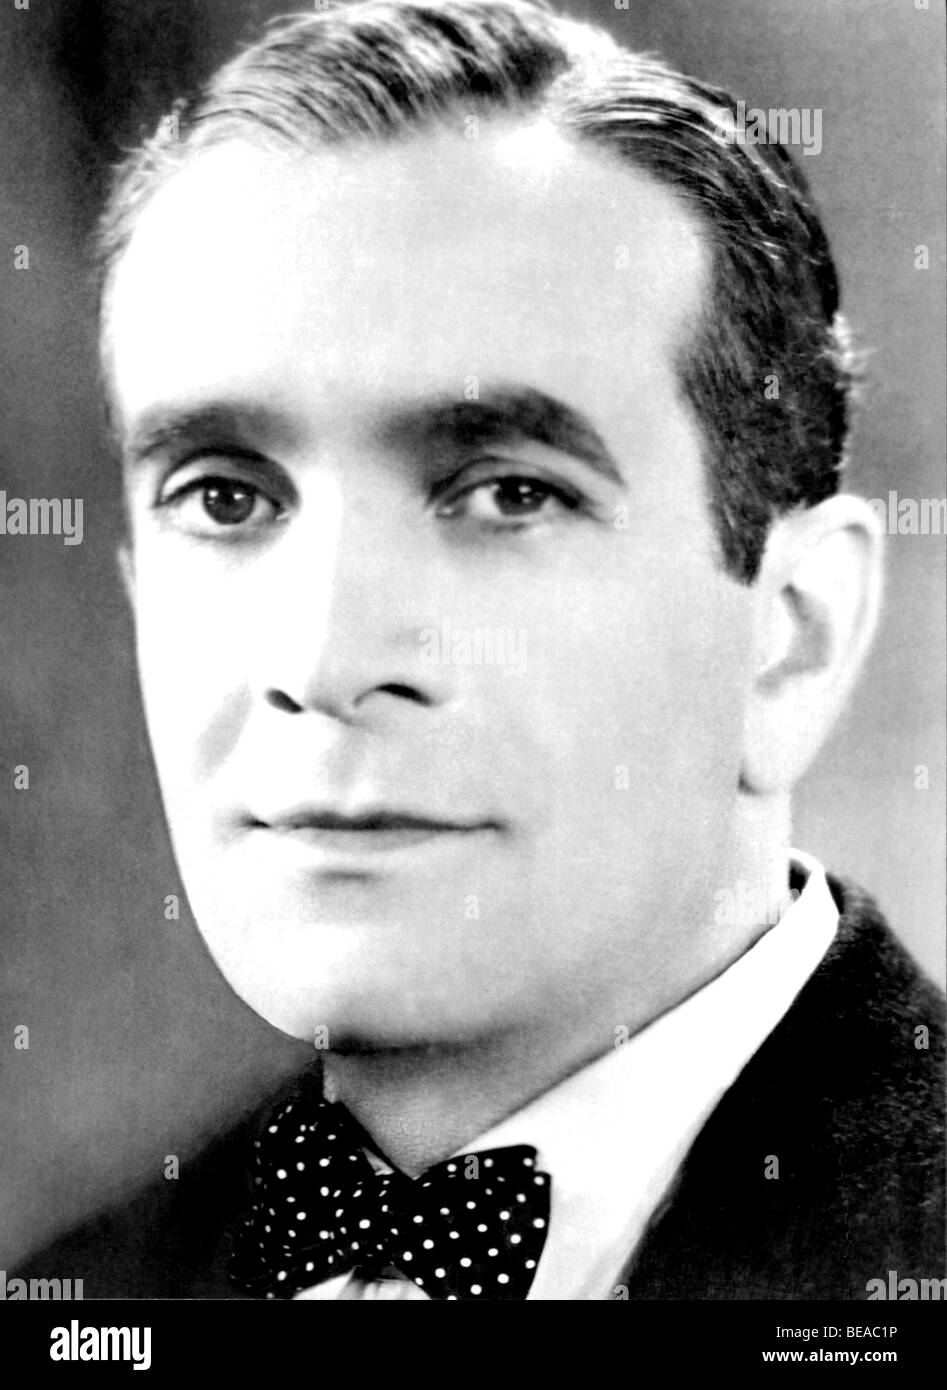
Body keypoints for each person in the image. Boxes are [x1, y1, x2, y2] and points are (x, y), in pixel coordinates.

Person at [20, 0, 944, 1300]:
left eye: (509, 494)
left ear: (790, 637)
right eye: (225, 497)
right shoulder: (87, 1290)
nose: (322, 662)